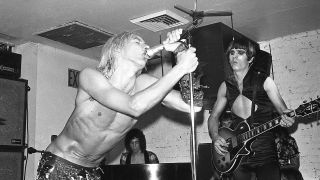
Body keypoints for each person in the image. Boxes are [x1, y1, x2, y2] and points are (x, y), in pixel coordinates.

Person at [36, 29, 200, 180]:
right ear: (117, 50)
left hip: (93, 170)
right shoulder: (90, 76)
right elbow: (134, 106)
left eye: (145, 43)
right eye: (138, 41)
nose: (147, 46)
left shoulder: (142, 84)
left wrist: (180, 52)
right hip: (61, 163)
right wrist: (180, 69)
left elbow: (194, 106)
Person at [207, 38, 295, 180]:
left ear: (250, 59)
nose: (234, 56)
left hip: (265, 153)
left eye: (240, 52)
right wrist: (216, 136)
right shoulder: (225, 86)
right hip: (238, 155)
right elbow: (213, 117)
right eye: (232, 52)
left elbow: (284, 113)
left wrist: (288, 119)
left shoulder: (265, 81)